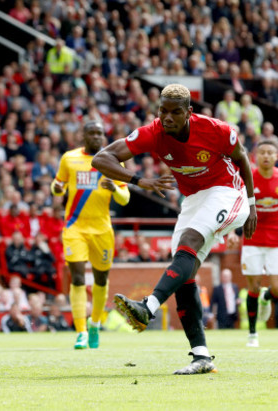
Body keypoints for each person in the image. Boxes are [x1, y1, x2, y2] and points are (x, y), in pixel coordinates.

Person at [92, 84, 256, 374]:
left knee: (190, 242)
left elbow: (241, 157)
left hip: (228, 192)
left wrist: (252, 204)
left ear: (189, 113)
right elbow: (101, 158)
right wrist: (139, 180)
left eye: (175, 112)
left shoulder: (216, 129)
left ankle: (148, 307)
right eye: (162, 111)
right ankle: (201, 356)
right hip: (193, 199)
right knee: (184, 268)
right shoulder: (153, 132)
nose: (167, 118)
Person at [51, 120, 130, 349]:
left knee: (100, 279)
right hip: (75, 227)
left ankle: (95, 323)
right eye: (92, 133)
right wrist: (56, 189)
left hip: (102, 229)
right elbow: (58, 185)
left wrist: (114, 188)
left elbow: (125, 198)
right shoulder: (69, 158)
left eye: (100, 133)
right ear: (84, 136)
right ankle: (81, 332)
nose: (97, 137)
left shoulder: (113, 160)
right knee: (76, 277)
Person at [227, 137, 278, 347]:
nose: (266, 156)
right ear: (255, 156)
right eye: (262, 152)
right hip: (252, 238)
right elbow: (235, 204)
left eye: (270, 152)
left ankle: (267, 298)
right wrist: (231, 231)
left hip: (276, 239)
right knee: (253, 287)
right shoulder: (246, 176)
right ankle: (253, 334)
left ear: (277, 156)